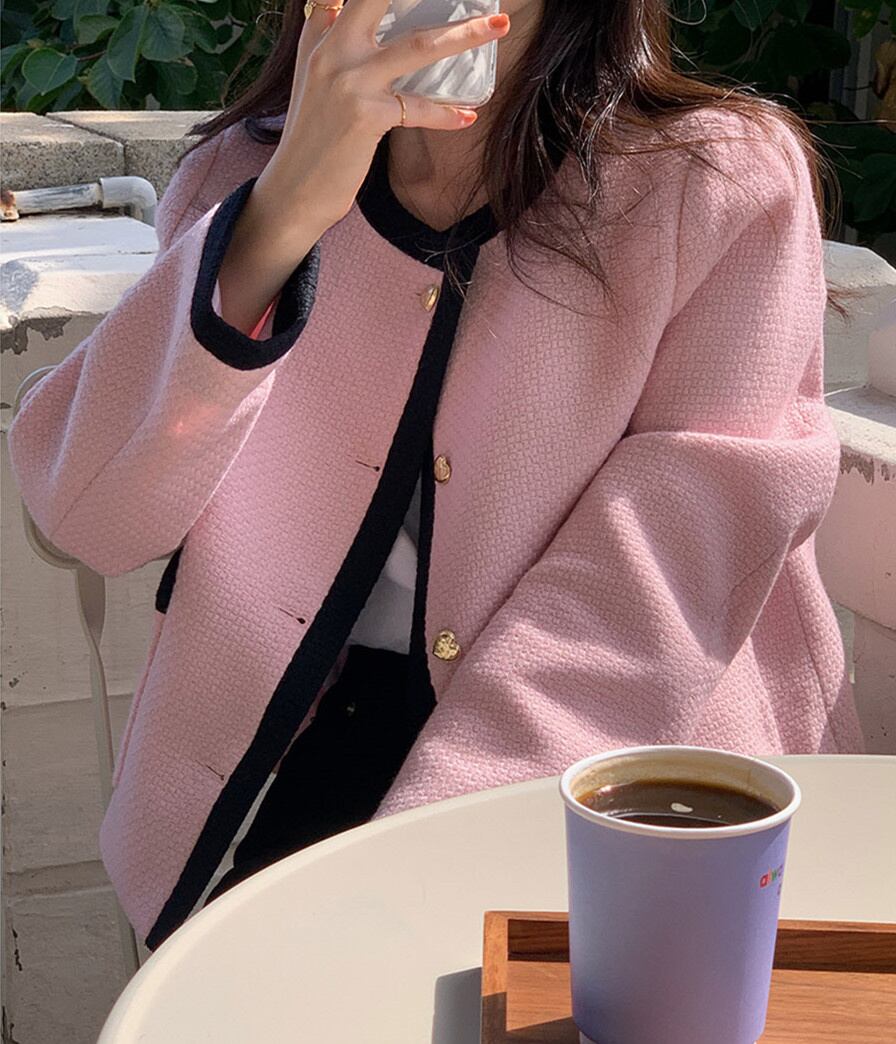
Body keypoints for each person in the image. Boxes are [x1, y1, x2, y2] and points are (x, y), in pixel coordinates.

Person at [7, 0, 864, 952]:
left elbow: (654, 582)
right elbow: (89, 513)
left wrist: (415, 864)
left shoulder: (715, 180)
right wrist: (284, 210)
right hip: (291, 750)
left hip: (628, 784)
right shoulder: (236, 175)